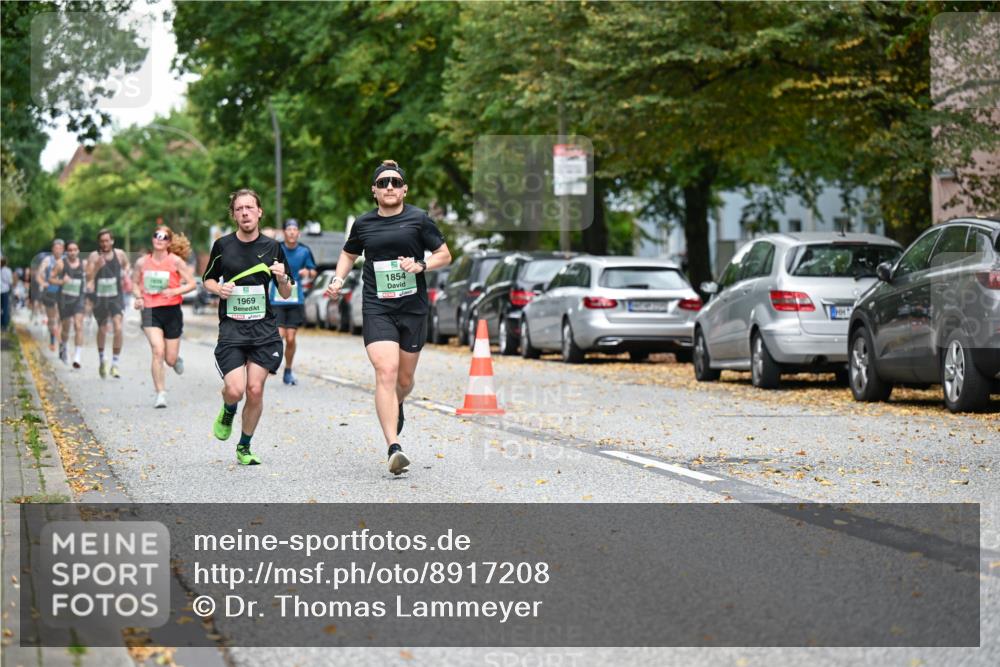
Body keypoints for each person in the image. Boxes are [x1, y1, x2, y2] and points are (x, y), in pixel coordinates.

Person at [325, 159, 451, 475]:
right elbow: (348, 254)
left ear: (404, 189)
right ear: (374, 191)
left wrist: (422, 266)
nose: (390, 187)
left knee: (404, 380)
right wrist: (339, 279)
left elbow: (444, 255)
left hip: (412, 308)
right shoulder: (364, 224)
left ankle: (399, 403)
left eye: (395, 182)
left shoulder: (419, 219)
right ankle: (394, 447)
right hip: (377, 306)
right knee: (387, 370)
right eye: (383, 183)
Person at [203, 188, 293, 465]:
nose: (245, 213)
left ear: (259, 212)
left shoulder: (273, 247)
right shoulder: (223, 245)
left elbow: (287, 292)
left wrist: (281, 279)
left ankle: (244, 446)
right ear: (233, 214)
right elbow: (207, 279)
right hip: (232, 330)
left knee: (255, 389)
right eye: (239, 209)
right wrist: (219, 290)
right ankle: (229, 409)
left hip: (263, 331)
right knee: (235, 389)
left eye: (249, 208)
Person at [133, 226, 196, 408]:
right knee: (157, 350)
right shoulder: (141, 263)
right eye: (156, 235)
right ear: (152, 239)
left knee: (169, 358)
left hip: (172, 311)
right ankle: (160, 393)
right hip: (150, 310)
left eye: (164, 237)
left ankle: (175, 360)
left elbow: (192, 284)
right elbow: (135, 284)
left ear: (169, 242)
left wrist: (175, 290)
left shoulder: (175, 262)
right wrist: (138, 297)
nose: (159, 239)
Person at [272, 218, 317, 385]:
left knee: (290, 338)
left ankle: (288, 370)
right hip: (276, 298)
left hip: (295, 299)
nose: (291, 232)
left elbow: (314, 272)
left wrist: (308, 272)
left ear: (298, 233)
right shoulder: (277, 249)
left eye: (294, 229)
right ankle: (273, 362)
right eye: (289, 229)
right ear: (284, 232)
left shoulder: (304, 251)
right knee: (279, 335)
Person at [86, 229, 131, 378]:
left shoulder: (120, 254)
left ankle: (115, 364)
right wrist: (97, 267)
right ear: (99, 243)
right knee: (103, 329)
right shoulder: (94, 256)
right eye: (102, 241)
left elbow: (127, 266)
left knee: (118, 327)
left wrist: (126, 274)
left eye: (107, 240)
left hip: (116, 297)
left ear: (112, 241)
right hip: (100, 297)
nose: (105, 244)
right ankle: (102, 359)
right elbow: (88, 277)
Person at [51, 242, 87, 367]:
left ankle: (77, 357)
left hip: (79, 299)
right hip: (64, 299)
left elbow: (91, 276)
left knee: (78, 325)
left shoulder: (84, 264)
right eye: (70, 250)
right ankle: (63, 346)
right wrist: (61, 281)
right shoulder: (61, 263)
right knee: (66, 327)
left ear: (78, 251)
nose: (72, 252)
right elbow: (51, 278)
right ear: (67, 251)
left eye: (75, 250)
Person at [37, 239, 65, 350]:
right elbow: (39, 274)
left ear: (63, 249)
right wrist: (42, 282)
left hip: (63, 292)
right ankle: (52, 340)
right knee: (51, 319)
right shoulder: (47, 260)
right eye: (56, 248)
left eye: (60, 248)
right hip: (50, 292)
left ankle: (61, 340)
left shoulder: (66, 260)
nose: (58, 250)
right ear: (52, 249)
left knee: (61, 317)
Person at [0, 257, 12, 332]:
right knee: (5, 308)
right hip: (5, 290)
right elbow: (10, 281)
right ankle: (4, 325)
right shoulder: (7, 270)